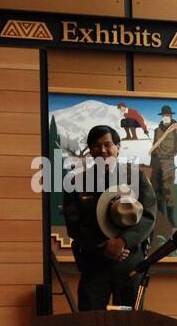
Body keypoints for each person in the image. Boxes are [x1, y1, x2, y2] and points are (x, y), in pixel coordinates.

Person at [62, 124, 156, 311]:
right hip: (94, 264)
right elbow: (74, 225)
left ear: (118, 148)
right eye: (96, 146)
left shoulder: (136, 177)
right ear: (90, 150)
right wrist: (103, 246)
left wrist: (122, 241)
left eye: (108, 144)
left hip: (130, 265)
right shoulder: (76, 182)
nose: (103, 150)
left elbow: (148, 216)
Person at [150, 105, 177, 226]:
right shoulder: (157, 130)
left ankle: (171, 220)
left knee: (168, 190)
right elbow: (154, 146)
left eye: (168, 115)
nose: (165, 117)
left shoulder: (176, 129)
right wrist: (152, 165)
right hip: (156, 162)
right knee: (157, 190)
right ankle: (162, 219)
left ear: (171, 116)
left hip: (168, 162)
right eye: (164, 115)